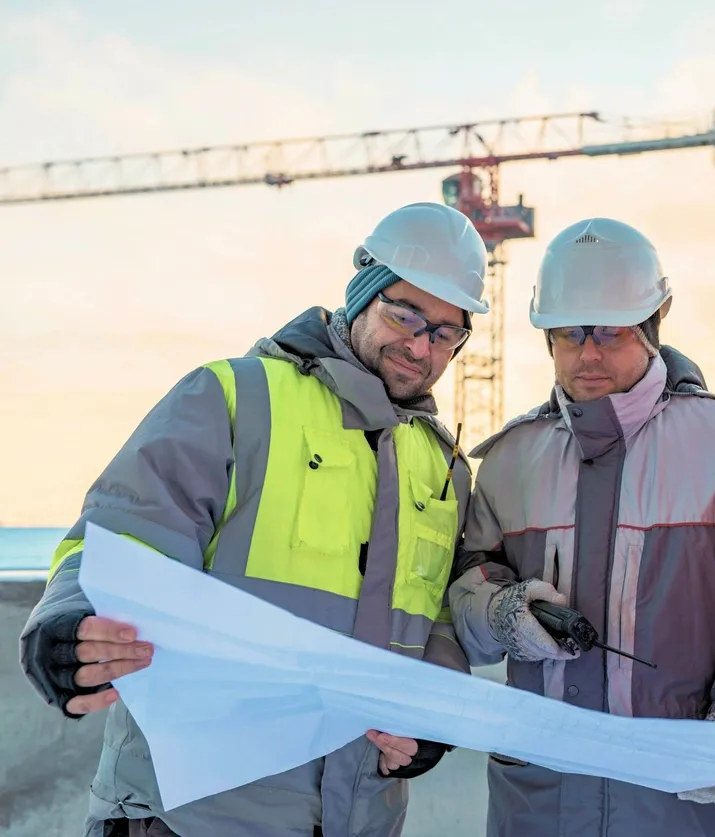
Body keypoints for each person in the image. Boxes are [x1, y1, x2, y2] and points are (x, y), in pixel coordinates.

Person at [19, 202, 489, 837]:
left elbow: (431, 618)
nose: (419, 344)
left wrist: (434, 714)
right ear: (360, 297)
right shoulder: (235, 396)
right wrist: (68, 619)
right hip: (193, 813)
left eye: (444, 332)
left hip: (358, 816)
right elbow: (125, 534)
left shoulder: (444, 467)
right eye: (404, 313)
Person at [448, 217, 715, 837]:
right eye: (569, 333)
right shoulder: (511, 460)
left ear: (652, 326)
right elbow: (463, 586)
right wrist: (502, 612)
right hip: (538, 804)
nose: (588, 353)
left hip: (682, 802)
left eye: (609, 332)